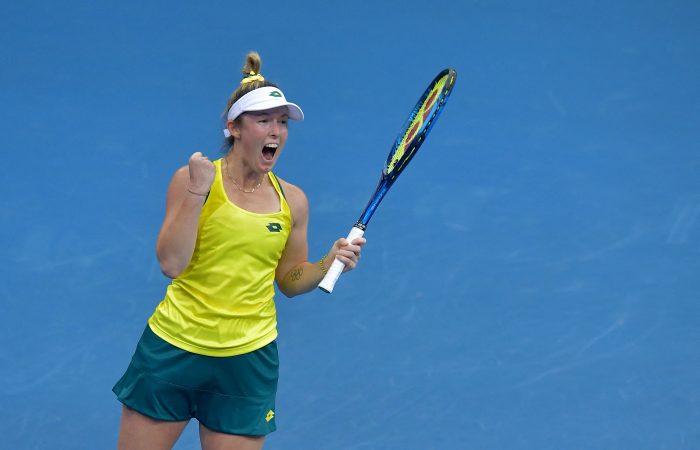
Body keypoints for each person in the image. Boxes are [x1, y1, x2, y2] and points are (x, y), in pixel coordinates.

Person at [113, 51, 366, 450]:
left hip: (247, 361)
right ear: (233, 127)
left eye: (282, 122)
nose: (276, 132)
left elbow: (290, 281)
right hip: (174, 349)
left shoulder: (293, 202)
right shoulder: (193, 179)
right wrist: (197, 191)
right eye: (263, 120)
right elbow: (171, 263)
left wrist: (326, 263)